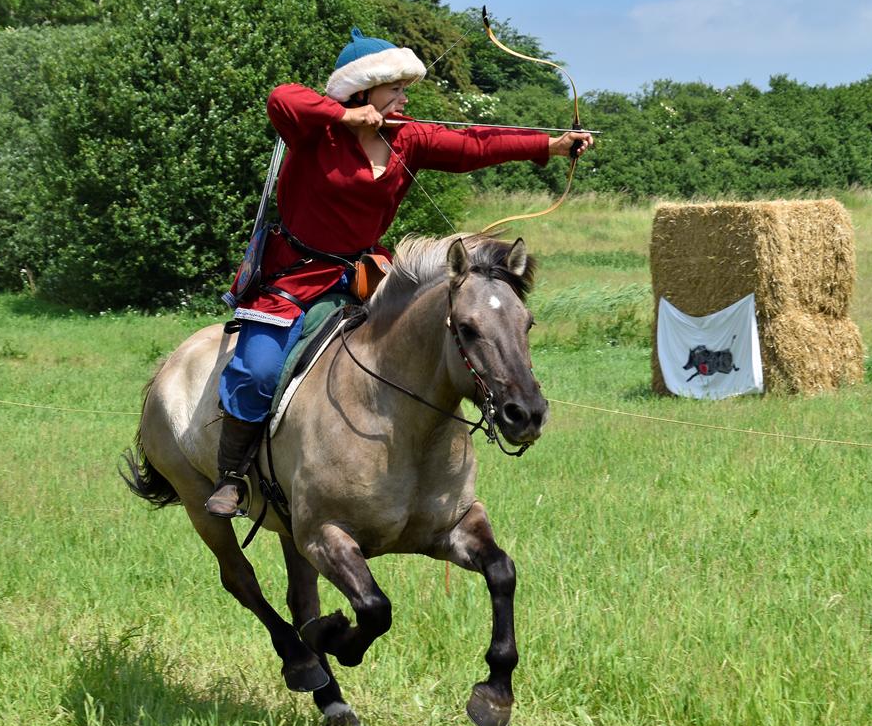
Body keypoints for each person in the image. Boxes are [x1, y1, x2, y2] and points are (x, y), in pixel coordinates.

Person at [206, 27, 593, 518]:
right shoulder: (317, 132)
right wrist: (344, 115)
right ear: (362, 90)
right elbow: (282, 98)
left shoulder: (407, 138)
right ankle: (233, 476)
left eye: (405, 91)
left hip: (368, 275)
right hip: (295, 277)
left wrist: (551, 146)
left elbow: (473, 144)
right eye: (396, 90)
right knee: (259, 368)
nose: (405, 100)